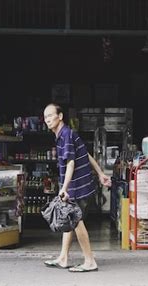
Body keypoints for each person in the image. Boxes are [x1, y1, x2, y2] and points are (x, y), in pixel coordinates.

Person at [43, 103, 111, 272]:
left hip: (77, 185)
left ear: (60, 116)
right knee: (70, 219)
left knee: (76, 221)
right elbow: (85, 154)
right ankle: (63, 258)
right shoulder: (65, 135)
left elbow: (71, 163)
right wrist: (101, 173)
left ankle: (90, 261)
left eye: (51, 115)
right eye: (45, 117)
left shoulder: (65, 134)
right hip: (77, 184)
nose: (48, 120)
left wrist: (64, 188)